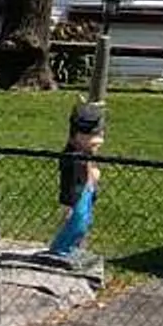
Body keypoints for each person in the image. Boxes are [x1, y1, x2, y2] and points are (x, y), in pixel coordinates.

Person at [46, 100, 103, 266]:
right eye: (94, 136)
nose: (98, 141)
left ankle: (70, 248)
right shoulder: (72, 157)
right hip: (76, 196)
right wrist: (69, 203)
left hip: (85, 191)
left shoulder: (83, 153)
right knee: (77, 221)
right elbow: (70, 183)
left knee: (83, 222)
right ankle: (60, 250)